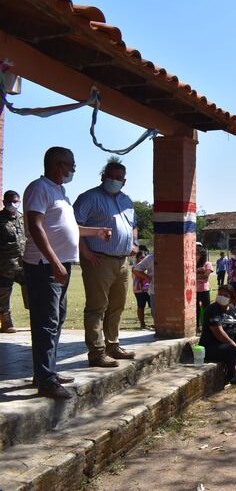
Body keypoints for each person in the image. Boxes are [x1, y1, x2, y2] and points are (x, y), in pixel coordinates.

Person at [23, 147, 112, 398]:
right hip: (43, 266)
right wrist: (53, 261)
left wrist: (95, 232)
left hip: (59, 265)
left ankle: (45, 371)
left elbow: (69, 227)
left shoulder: (60, 191)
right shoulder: (39, 188)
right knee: (46, 321)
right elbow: (35, 225)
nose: (74, 169)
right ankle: (46, 380)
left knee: (57, 319)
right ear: (58, 165)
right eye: (71, 165)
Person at [73, 158, 137, 368]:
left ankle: (113, 344)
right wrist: (86, 253)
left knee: (117, 305)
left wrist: (133, 243)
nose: (114, 180)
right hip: (98, 259)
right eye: (111, 176)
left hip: (122, 262)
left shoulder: (127, 201)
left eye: (119, 178)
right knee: (97, 307)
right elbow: (73, 227)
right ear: (103, 176)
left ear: (124, 181)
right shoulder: (89, 198)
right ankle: (97, 352)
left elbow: (133, 225)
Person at [0, 190, 25, 333]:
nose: (12, 204)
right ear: (4, 202)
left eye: (15, 201)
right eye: (9, 202)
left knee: (31, 292)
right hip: (5, 265)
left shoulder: (22, 218)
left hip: (23, 264)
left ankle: (36, 319)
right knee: (3, 295)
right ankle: (6, 322)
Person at [195, 245, 213, 333]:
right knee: (196, 309)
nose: (196, 256)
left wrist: (194, 275)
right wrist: (199, 275)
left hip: (204, 290)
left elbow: (206, 275)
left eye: (197, 254)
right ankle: (196, 326)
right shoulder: (192, 264)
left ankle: (207, 327)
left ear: (202, 255)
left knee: (206, 309)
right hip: (194, 290)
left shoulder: (207, 264)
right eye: (195, 254)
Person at [132, 250, 151, 330]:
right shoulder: (135, 267)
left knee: (152, 306)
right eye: (141, 258)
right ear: (137, 258)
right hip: (139, 290)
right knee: (141, 306)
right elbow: (140, 277)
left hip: (149, 288)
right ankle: (142, 324)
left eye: (144, 258)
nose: (142, 259)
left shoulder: (147, 266)